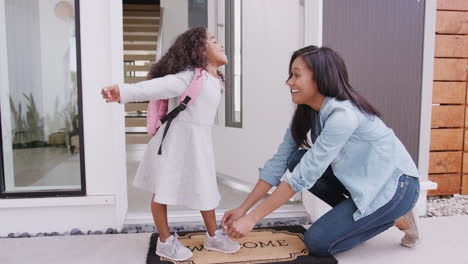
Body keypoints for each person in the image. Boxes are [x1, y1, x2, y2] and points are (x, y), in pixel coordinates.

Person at [221, 46, 420, 257]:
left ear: (321, 78)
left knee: (317, 242)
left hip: (397, 188)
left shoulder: (343, 115)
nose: (289, 82)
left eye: (296, 75)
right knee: (296, 159)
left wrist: (252, 219)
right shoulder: (308, 112)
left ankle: (394, 216)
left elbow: (302, 177)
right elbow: (278, 162)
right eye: (291, 75)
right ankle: (366, 217)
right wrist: (243, 209)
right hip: (365, 184)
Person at [102, 27, 240, 262]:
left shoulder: (213, 79)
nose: (221, 45)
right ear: (199, 50)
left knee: (205, 187)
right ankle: (165, 242)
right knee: (163, 191)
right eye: (214, 41)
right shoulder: (189, 76)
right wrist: (121, 91)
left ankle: (213, 235)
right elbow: (154, 87)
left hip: (198, 144)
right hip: (174, 143)